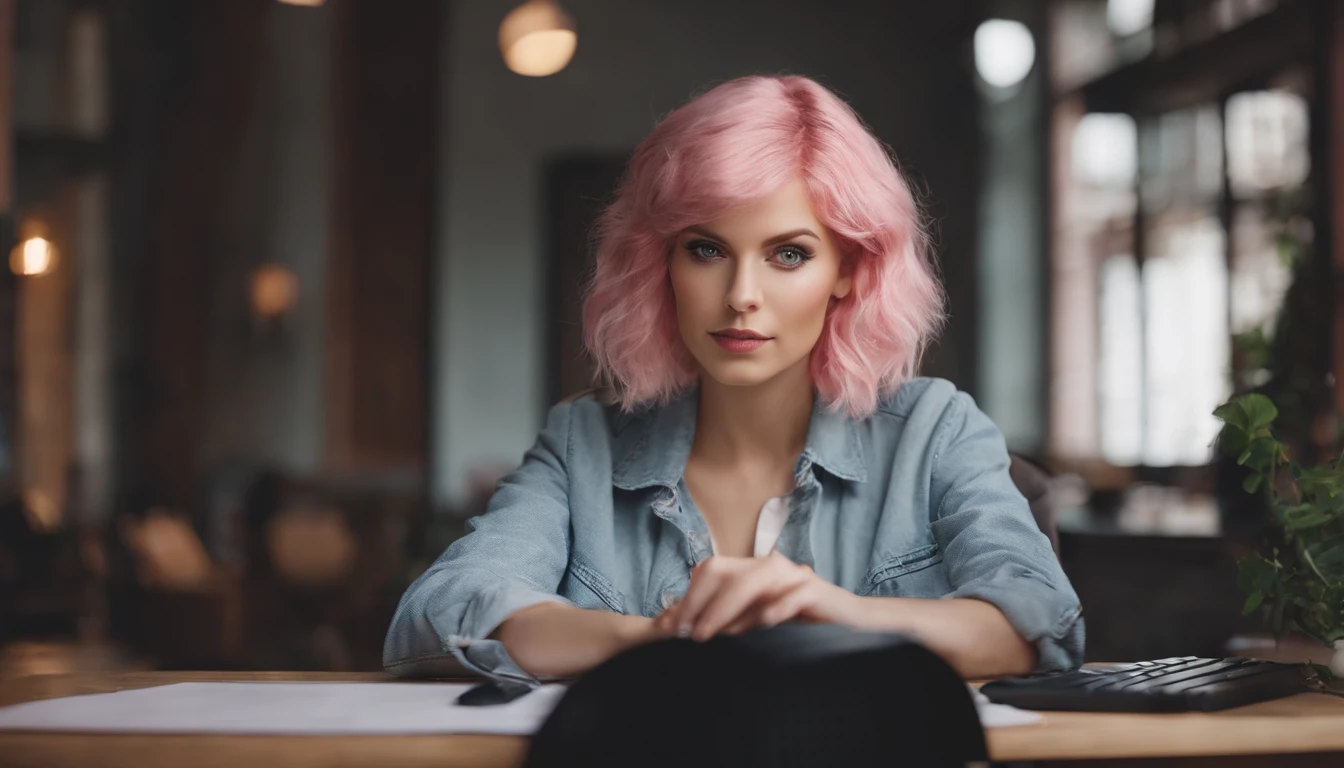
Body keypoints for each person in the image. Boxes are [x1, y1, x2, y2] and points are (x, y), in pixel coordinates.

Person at [384, 74, 1083, 686]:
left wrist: (832, 615)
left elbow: (1040, 623)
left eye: (788, 253)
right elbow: (437, 615)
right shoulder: (583, 444)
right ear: (661, 264)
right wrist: (662, 642)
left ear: (849, 268)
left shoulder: (936, 431)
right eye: (707, 249)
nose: (741, 294)